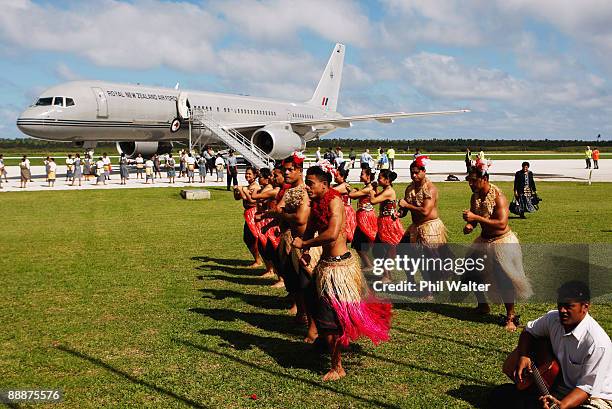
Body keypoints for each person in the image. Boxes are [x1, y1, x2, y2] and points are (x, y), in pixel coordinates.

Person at [292, 163, 391, 381]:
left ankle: (337, 367)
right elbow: (310, 227)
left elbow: (331, 232)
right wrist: (306, 249)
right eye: (307, 183)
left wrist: (305, 242)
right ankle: (322, 343)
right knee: (311, 297)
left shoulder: (335, 201)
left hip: (339, 268)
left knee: (329, 318)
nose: (307, 187)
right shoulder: (317, 202)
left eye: (310, 184)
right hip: (325, 265)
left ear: (324, 184)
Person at [493, 281, 612, 409]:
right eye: (560, 304)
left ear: (585, 307)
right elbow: (529, 331)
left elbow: (586, 388)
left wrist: (561, 405)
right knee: (500, 395)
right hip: (561, 386)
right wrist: (524, 355)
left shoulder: (598, 343)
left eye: (568, 306)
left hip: (594, 397)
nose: (562, 310)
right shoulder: (553, 319)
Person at [462, 160, 533, 331]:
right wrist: (470, 226)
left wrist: (475, 218)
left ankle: (511, 316)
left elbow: (501, 223)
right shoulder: (475, 196)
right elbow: (477, 219)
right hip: (484, 240)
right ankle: (483, 305)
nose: (470, 183)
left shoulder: (498, 197)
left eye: (473, 180)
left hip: (501, 241)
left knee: (503, 278)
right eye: (469, 180)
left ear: (484, 178)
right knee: (469, 271)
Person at [263, 152, 320, 340]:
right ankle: (301, 313)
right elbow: (277, 208)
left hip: (306, 244)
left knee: (307, 284)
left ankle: (314, 326)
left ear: (299, 170)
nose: (286, 173)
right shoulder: (289, 191)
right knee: (292, 281)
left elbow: (301, 218)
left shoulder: (307, 190)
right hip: (289, 241)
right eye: (285, 170)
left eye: (290, 170)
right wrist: (284, 213)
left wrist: (284, 214)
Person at [399, 156, 447, 245]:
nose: (413, 175)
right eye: (412, 173)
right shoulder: (410, 188)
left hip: (430, 228)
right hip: (415, 226)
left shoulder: (430, 189)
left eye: (416, 173)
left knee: (432, 257)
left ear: (424, 171)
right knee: (401, 251)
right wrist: (399, 213)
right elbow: (405, 208)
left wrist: (406, 205)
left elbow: (425, 211)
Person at [369, 169, 405, 283]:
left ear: (387, 180)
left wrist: (370, 189)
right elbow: (377, 196)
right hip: (384, 222)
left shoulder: (389, 191)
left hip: (388, 223)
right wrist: (374, 189)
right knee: (380, 249)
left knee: (388, 249)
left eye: (380, 178)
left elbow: (373, 200)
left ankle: (387, 276)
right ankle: (387, 275)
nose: (378, 180)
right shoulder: (386, 190)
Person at [348, 167, 378, 270]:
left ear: (368, 176)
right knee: (359, 242)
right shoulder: (367, 188)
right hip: (363, 218)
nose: (360, 176)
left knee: (359, 242)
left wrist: (348, 188)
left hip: (365, 219)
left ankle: (370, 264)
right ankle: (368, 264)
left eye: (362, 174)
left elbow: (352, 195)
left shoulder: (368, 189)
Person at [233, 166, 262, 268]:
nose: (247, 175)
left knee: (252, 237)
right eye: (246, 173)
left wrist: (242, 190)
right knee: (248, 238)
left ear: (255, 175)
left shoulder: (256, 187)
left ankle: (258, 260)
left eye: (249, 174)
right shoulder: (248, 186)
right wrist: (236, 190)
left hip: (253, 214)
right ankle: (257, 259)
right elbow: (238, 198)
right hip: (248, 214)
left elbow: (250, 200)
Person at [332, 163, 357, 244]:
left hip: (345, 212)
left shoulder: (344, 185)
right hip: (339, 210)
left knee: (342, 233)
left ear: (342, 177)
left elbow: (330, 191)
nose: (335, 177)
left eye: (337, 175)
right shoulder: (336, 185)